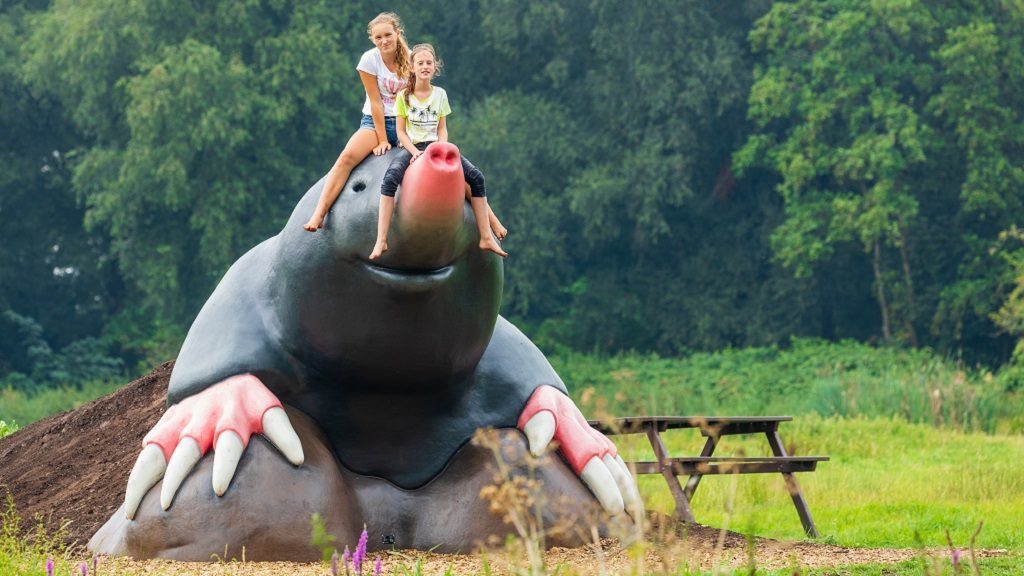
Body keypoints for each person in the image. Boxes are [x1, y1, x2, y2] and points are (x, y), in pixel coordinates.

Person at [369, 43, 507, 260]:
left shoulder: (440, 94)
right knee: (389, 180)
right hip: (413, 148)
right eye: (420, 63)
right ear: (412, 68)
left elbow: (442, 128)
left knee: (476, 178)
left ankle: (486, 236)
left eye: (429, 63)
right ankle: (381, 239)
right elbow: (400, 132)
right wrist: (415, 152)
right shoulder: (404, 95)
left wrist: (442, 148)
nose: (425, 66)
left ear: (435, 67)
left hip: (436, 146)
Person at [303, 12, 411, 232]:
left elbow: (416, 100)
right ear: (372, 39)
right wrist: (382, 139)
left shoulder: (412, 59)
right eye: (378, 37)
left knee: (444, 161)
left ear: (398, 33)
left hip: (406, 123)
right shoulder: (369, 60)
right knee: (346, 157)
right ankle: (319, 214)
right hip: (374, 121)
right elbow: (375, 101)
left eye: (388, 35)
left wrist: (406, 133)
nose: (384, 41)